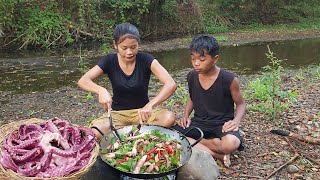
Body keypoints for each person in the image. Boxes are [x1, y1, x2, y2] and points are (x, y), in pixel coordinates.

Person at [78, 23, 177, 141]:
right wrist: (101, 90)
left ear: (138, 44)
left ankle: (128, 136)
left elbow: (170, 84)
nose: (129, 52)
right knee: (95, 132)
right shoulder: (109, 61)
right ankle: (138, 134)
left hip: (143, 113)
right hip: (118, 115)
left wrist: (150, 105)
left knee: (169, 118)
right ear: (115, 45)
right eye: (124, 48)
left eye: (133, 47)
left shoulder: (146, 59)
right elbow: (83, 80)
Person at [172, 34, 246, 167]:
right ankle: (217, 154)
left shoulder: (229, 79)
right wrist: (185, 115)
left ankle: (200, 143)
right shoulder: (192, 76)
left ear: (215, 59)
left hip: (222, 124)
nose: (196, 63)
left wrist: (235, 121)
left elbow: (240, 104)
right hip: (199, 122)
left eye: (202, 59)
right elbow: (192, 97)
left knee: (231, 144)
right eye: (193, 58)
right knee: (172, 134)